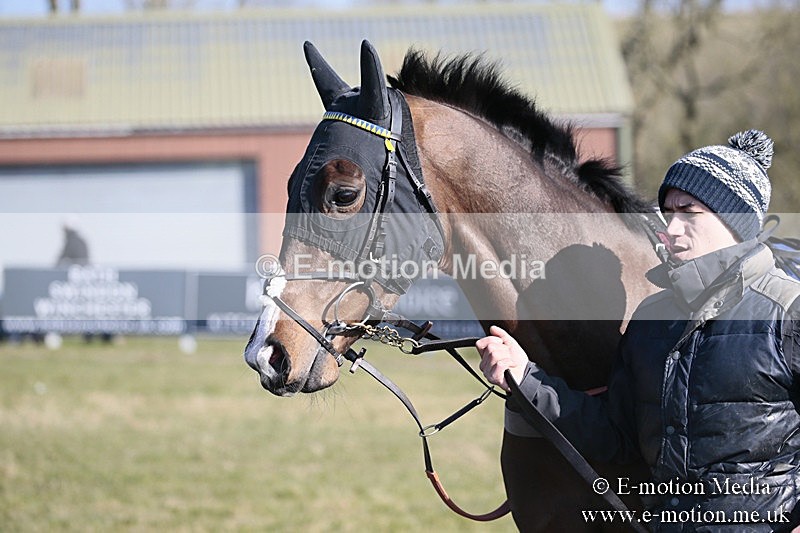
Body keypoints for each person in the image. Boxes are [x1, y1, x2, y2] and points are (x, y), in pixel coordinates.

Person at [477, 130, 800, 531]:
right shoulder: (653, 317)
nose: (673, 228)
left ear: (735, 219)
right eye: (668, 212)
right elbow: (617, 434)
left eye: (689, 211)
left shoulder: (788, 311)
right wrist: (525, 377)